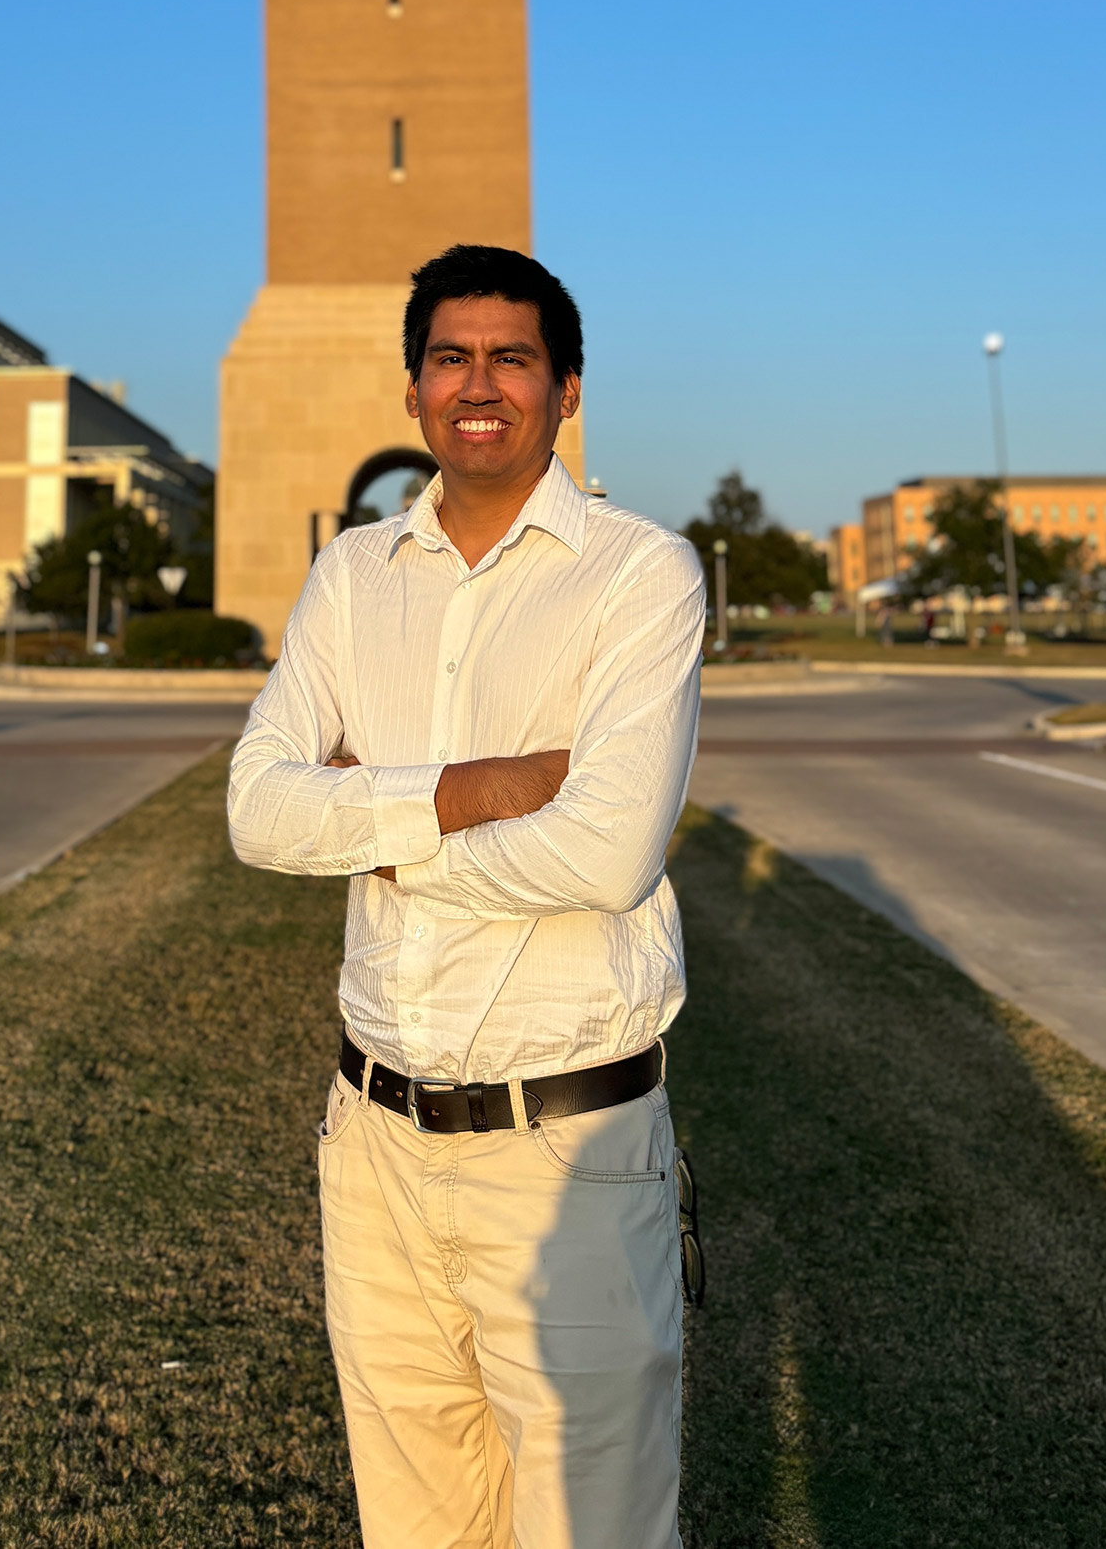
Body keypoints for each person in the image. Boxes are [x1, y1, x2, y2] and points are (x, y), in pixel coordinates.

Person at [228, 242, 706, 1549]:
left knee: (591, 1530)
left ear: (565, 393)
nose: (477, 383)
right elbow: (260, 815)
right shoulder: (351, 579)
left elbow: (606, 856)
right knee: (417, 1528)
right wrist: (479, 788)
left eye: (511, 358)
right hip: (372, 1144)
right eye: (451, 357)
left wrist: (372, 820)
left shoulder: (640, 575)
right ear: (414, 391)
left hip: (567, 1153)